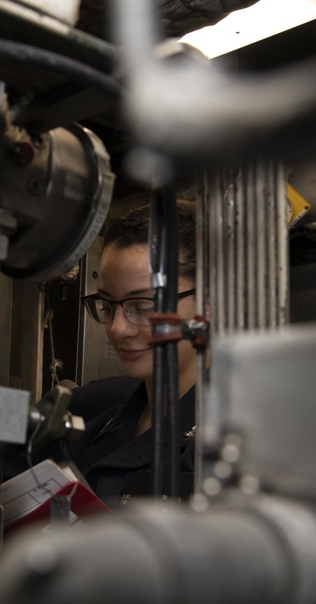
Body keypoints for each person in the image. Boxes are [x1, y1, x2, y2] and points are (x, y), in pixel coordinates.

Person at [71, 198, 200, 506]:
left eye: (142, 307)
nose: (118, 329)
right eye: (107, 306)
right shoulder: (95, 432)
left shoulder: (234, 445)